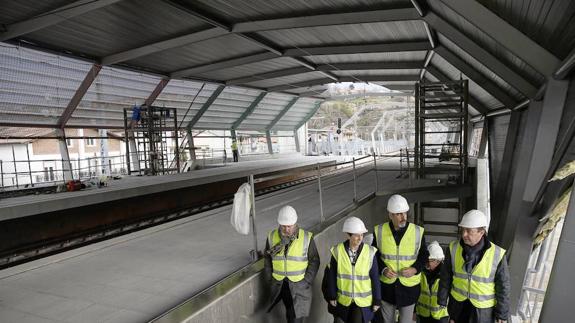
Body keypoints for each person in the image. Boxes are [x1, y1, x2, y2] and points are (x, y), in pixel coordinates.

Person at [438, 210, 510, 323]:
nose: (464, 234)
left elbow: (503, 287)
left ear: (481, 232)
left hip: (483, 311)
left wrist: (502, 314)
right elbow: (445, 276)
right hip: (458, 307)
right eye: (462, 230)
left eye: (468, 231)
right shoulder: (453, 248)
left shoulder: (497, 254)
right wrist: (442, 299)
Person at [373, 194, 428, 323]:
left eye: (405, 213)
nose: (403, 217)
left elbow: (424, 254)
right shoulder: (379, 231)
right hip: (387, 287)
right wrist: (383, 269)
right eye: (398, 214)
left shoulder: (418, 231)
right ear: (390, 215)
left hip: (409, 288)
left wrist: (415, 269)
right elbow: (374, 256)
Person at [264, 206, 320, 323]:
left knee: (295, 318)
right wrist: (270, 279)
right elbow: (268, 259)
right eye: (284, 226)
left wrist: (306, 281)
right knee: (282, 316)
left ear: (295, 223)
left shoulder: (306, 237)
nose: (287, 229)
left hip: (298, 286)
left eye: (289, 226)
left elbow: (314, 260)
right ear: (279, 224)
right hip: (279, 285)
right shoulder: (271, 236)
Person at [326, 217, 381, 323]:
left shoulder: (370, 252)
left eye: (362, 234)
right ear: (348, 235)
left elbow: (375, 278)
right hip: (343, 301)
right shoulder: (337, 251)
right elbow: (332, 276)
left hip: (362, 302)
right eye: (356, 235)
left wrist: (377, 300)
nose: (360, 238)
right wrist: (332, 296)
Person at [414, 241, 449, 323]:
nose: (426, 262)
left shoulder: (446, 275)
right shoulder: (421, 273)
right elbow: (415, 292)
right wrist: (414, 311)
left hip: (441, 316)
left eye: (429, 260)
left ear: (437, 261)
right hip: (423, 315)